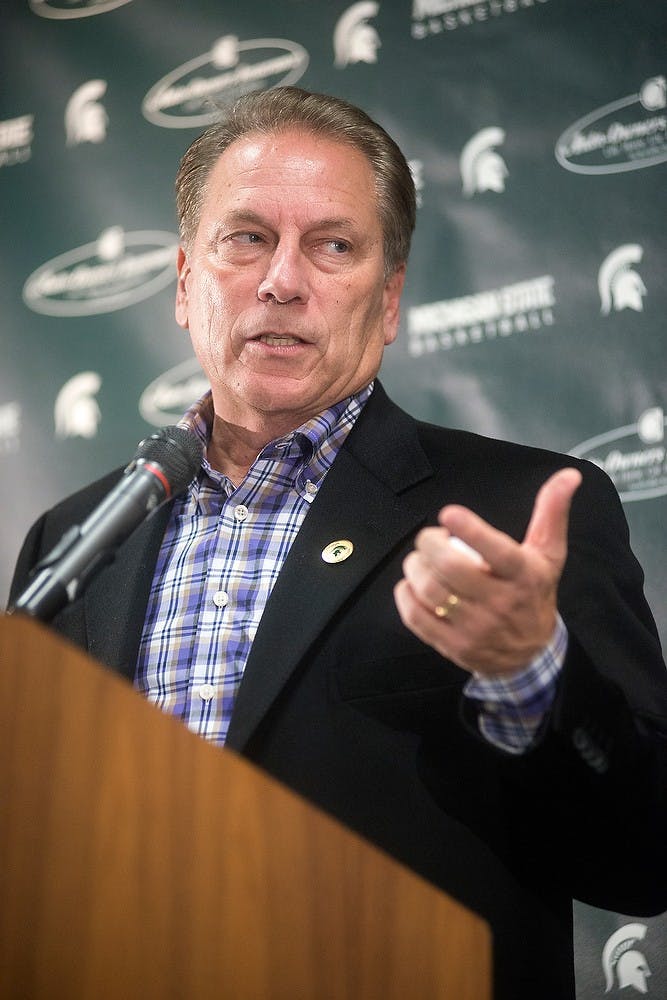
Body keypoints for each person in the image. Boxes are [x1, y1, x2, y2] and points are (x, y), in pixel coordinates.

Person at [9, 87, 667, 999]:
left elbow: (641, 856)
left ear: (388, 299)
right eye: (245, 238)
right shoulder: (75, 540)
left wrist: (531, 672)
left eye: (333, 245)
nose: (282, 279)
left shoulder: (516, 509)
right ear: (185, 282)